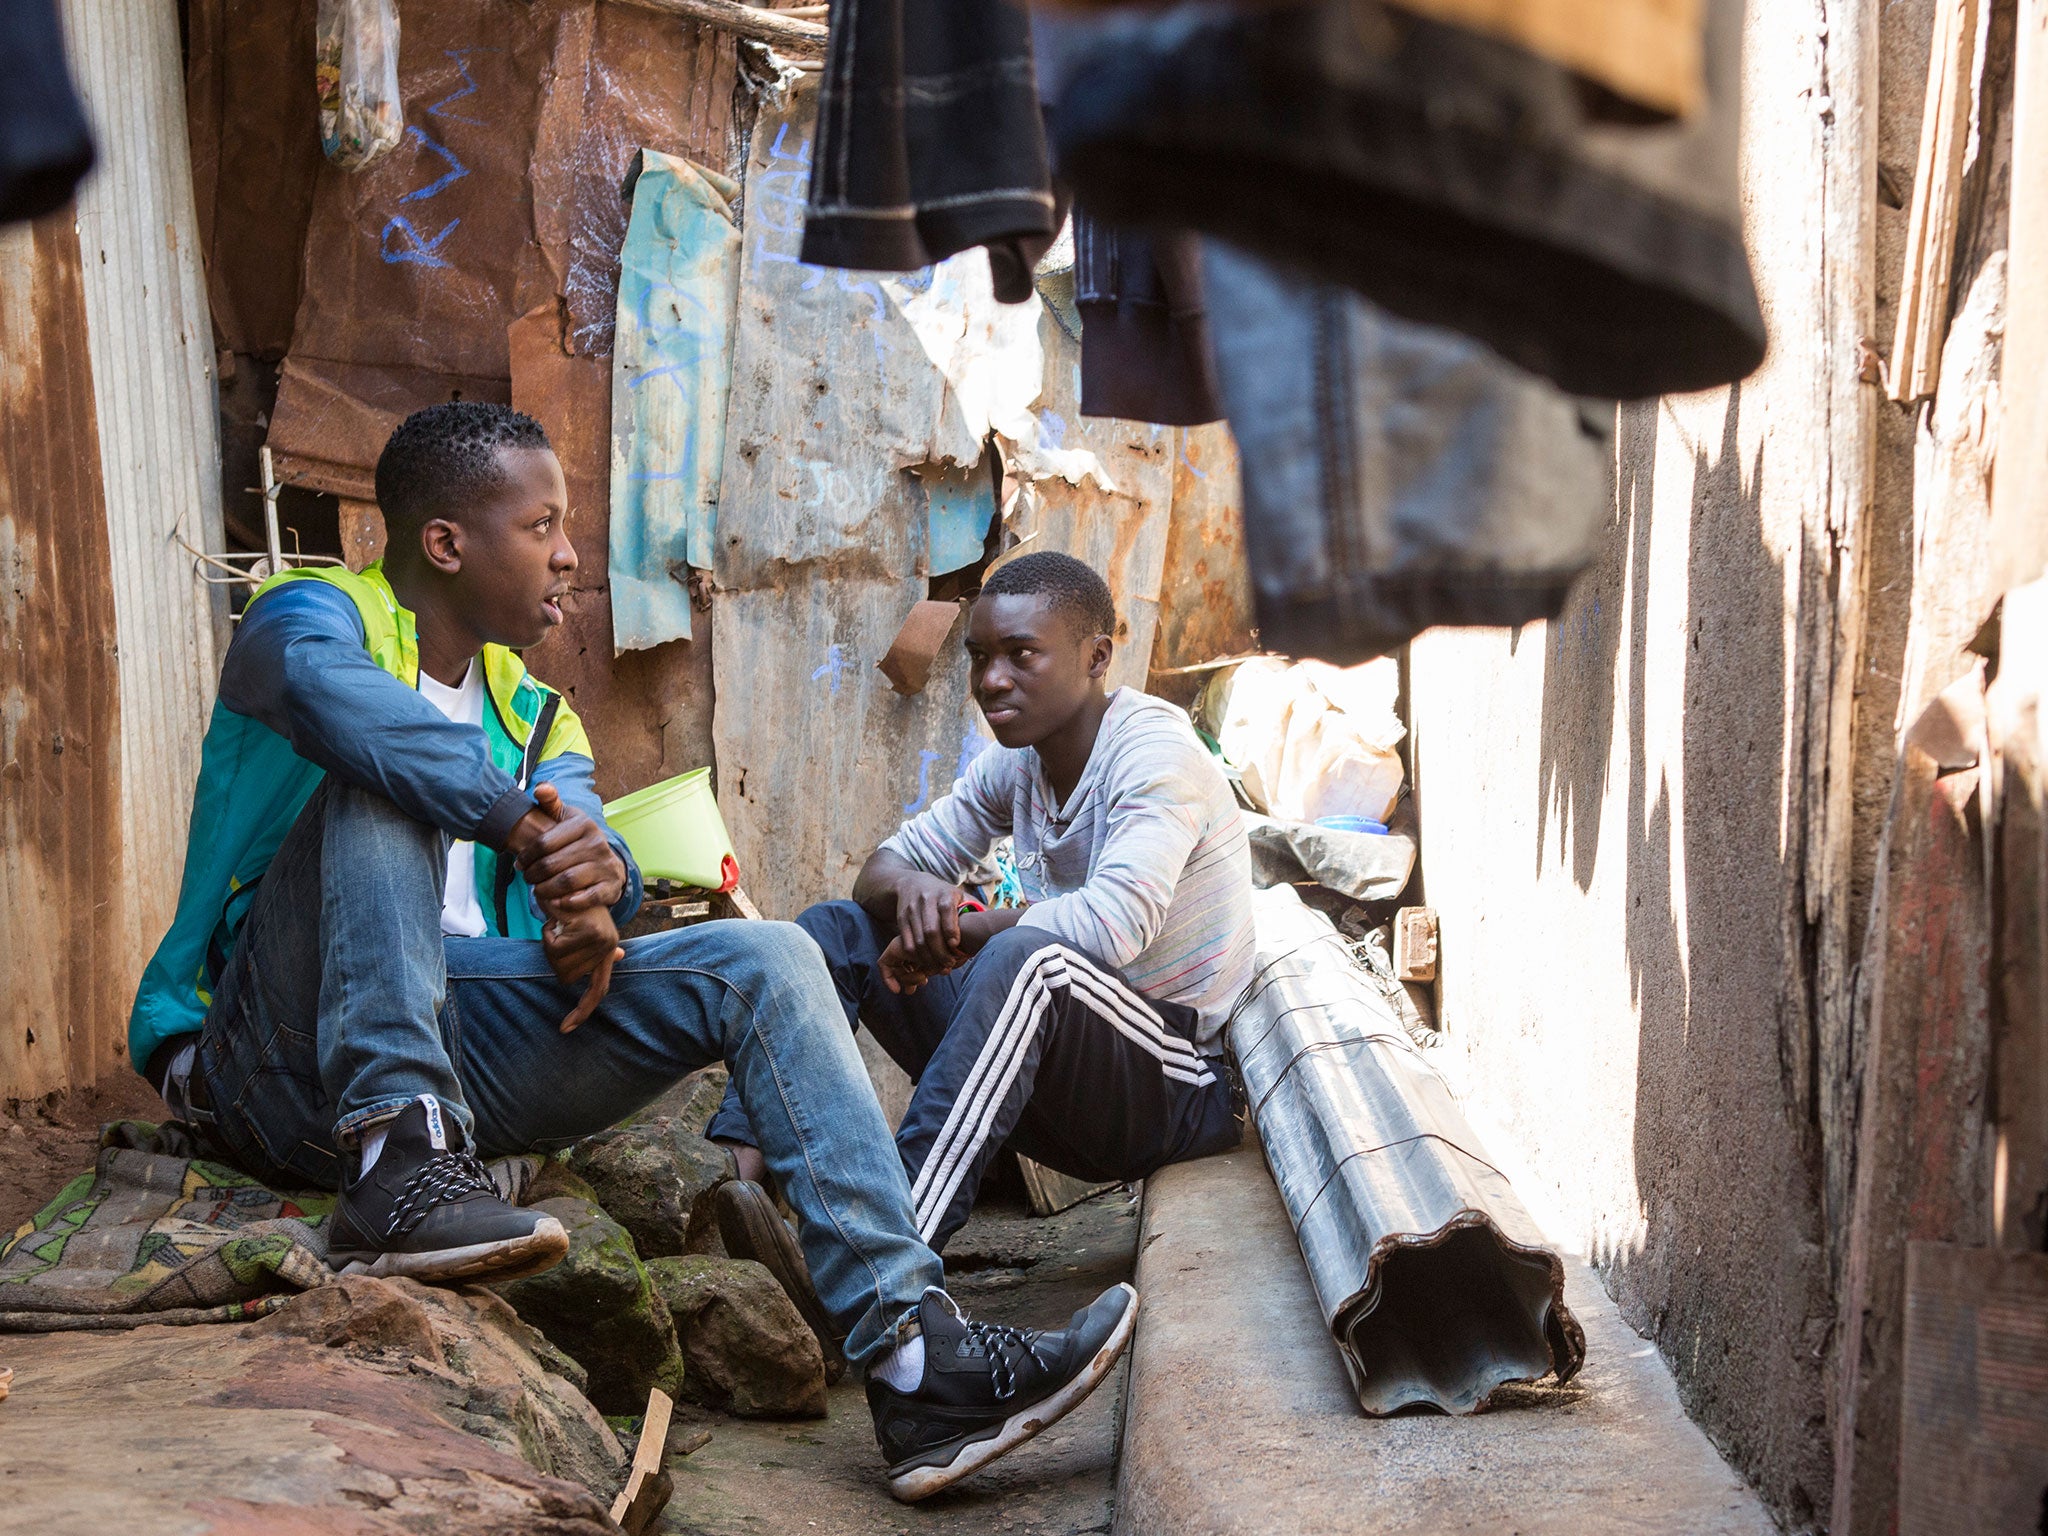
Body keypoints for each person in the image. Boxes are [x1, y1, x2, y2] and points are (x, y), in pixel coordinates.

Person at [124, 403, 1135, 1503]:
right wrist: (515, 822)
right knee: (386, 764)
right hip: (274, 1048)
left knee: (772, 961)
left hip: (465, 1028)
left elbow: (581, 826)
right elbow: (339, 707)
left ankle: (912, 1358)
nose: (568, 554)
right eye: (543, 524)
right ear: (447, 543)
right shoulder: (308, 617)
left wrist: (595, 891)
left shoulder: (537, 710)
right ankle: (395, 1159)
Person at [708, 550, 1253, 1264]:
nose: (992, 680)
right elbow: (878, 872)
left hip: (1173, 1080)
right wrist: (921, 896)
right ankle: (733, 1194)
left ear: (1096, 657)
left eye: (1022, 655)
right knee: (832, 935)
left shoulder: (1154, 755)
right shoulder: (1018, 764)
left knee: (1028, 957)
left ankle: (882, 1259)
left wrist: (958, 933)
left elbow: (1112, 925)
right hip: (1056, 1077)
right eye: (979, 656)